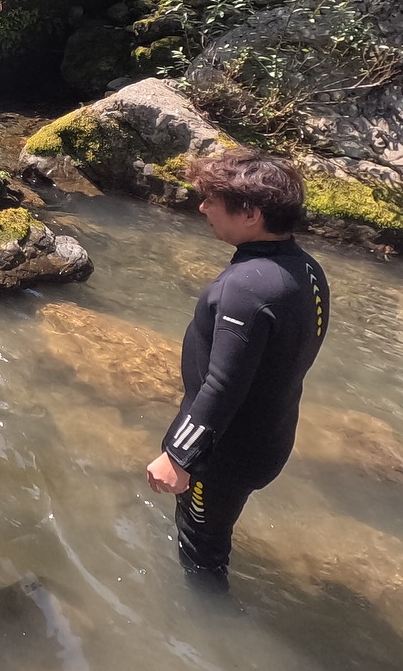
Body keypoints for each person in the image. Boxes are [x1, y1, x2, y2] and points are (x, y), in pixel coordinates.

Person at [145, 148, 330, 591]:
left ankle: (209, 622)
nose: (203, 207)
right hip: (268, 435)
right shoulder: (305, 268)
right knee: (215, 526)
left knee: (201, 547)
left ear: (251, 214)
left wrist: (179, 455)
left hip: (222, 454)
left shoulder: (247, 288)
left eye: (213, 200)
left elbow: (223, 386)